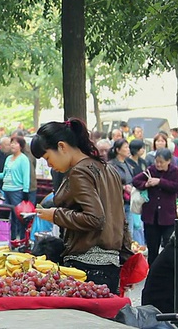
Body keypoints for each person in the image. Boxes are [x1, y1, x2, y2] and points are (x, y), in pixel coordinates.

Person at [31, 118, 132, 294]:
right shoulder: (107, 169)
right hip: (111, 265)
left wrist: (55, 215)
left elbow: (95, 218)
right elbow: (121, 220)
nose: (50, 166)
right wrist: (124, 259)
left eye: (48, 158)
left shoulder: (79, 172)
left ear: (62, 146)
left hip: (86, 266)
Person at [132, 148, 178, 265]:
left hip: (167, 216)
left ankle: (167, 269)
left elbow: (177, 187)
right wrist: (146, 184)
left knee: (169, 246)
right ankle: (152, 270)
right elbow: (135, 181)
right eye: (157, 161)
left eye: (161, 162)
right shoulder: (151, 170)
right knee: (152, 248)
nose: (158, 164)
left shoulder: (175, 172)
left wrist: (160, 182)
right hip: (151, 216)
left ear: (169, 161)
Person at [0, 136, 31, 240]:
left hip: (17, 190)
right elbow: (4, 174)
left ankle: (21, 238)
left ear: (21, 146)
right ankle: (10, 238)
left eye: (16, 143)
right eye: (12, 143)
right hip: (6, 190)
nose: (12, 145)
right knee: (8, 216)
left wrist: (26, 191)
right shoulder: (8, 158)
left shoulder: (23, 159)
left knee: (18, 217)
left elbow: (26, 176)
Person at [108, 139, 135, 238]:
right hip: (117, 201)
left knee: (129, 231)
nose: (128, 150)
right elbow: (109, 183)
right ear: (118, 150)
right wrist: (123, 187)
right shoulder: (111, 165)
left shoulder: (128, 164)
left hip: (128, 200)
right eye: (126, 147)